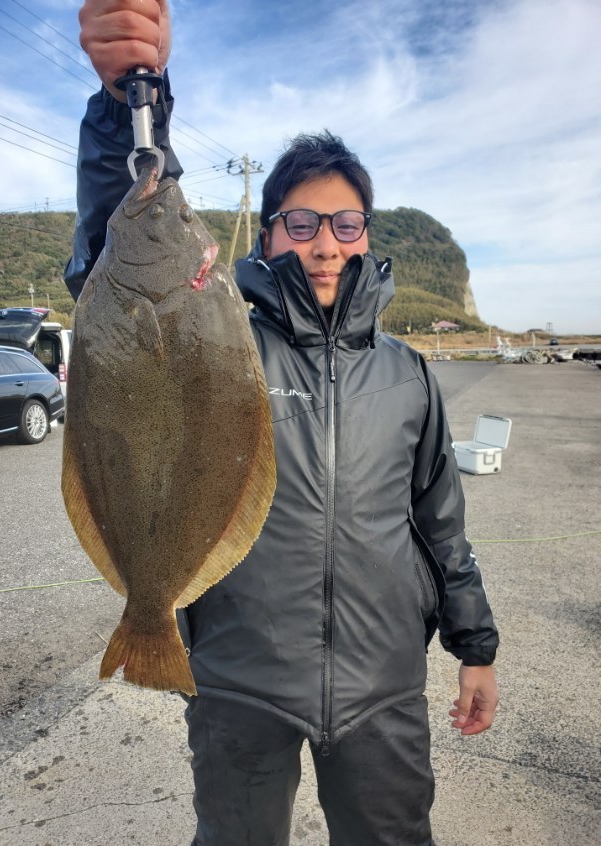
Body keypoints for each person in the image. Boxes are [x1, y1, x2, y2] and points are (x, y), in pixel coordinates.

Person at [68, 3, 499, 844]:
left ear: (365, 236)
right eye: (301, 223)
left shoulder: (407, 372)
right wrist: (126, 106)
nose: (325, 244)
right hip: (238, 684)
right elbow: (125, 267)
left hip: (383, 687)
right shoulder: (217, 334)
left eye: (345, 224)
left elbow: (440, 525)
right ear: (268, 236)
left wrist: (474, 645)